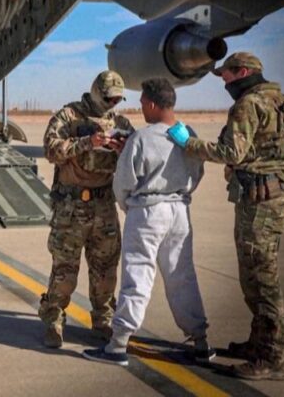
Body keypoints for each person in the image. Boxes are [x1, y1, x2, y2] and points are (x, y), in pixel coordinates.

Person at [168, 52, 284, 380]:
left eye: (225, 75)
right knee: (257, 276)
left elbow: (230, 153)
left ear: (242, 72)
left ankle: (274, 357)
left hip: (257, 203)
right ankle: (258, 343)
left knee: (260, 280)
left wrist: (188, 143)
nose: (223, 81)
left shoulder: (248, 105)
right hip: (275, 199)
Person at [82, 78, 215, 366]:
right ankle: (200, 341)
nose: (141, 108)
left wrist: (129, 207)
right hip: (179, 211)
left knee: (138, 276)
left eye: (143, 103)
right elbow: (198, 172)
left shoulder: (141, 139)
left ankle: (118, 344)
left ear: (153, 104)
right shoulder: (188, 135)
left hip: (147, 212)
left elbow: (123, 183)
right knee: (182, 276)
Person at [39, 70, 134, 348]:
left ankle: (103, 319)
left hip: (104, 206)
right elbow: (51, 150)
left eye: (117, 100)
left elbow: (136, 159)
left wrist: (123, 149)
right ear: (96, 92)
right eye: (109, 98)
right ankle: (54, 319)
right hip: (71, 207)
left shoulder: (120, 123)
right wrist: (87, 143)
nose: (112, 104)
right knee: (65, 268)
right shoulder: (68, 116)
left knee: (105, 269)